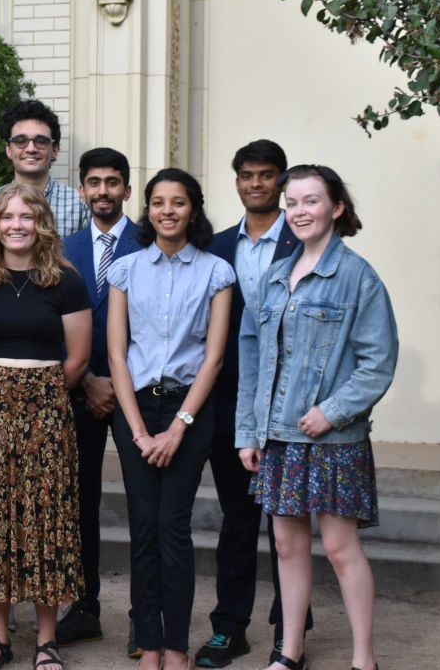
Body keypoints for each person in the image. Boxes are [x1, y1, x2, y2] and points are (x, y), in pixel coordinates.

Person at [236, 165, 397, 670]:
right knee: (286, 546)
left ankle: (363, 660)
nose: (299, 211)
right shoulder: (274, 277)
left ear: (336, 208)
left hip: (333, 441)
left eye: (310, 201)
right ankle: (290, 652)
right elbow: (251, 359)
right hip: (279, 437)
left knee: (340, 547)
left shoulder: (358, 277)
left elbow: (379, 362)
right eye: (292, 203)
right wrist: (248, 431)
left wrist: (331, 412)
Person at [0, 183, 93, 670]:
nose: (16, 225)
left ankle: (46, 639)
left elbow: (78, 357)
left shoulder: (66, 282)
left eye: (26, 217)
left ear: (41, 224)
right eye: (7, 217)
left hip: (47, 408)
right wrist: (2, 388)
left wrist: (42, 394)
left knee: (45, 517)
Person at [106, 168, 235, 670]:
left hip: (190, 409)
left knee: (172, 526)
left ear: (194, 209)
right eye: (158, 202)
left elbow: (214, 359)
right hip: (136, 406)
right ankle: (150, 644)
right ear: (148, 210)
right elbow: (117, 355)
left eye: (178, 202)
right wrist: (138, 430)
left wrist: (178, 426)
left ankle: (177, 646)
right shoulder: (126, 270)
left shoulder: (216, 272)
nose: (167, 211)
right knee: (143, 528)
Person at [197, 140, 313, 668]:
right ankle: (229, 628)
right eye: (246, 175)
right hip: (231, 404)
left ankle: (291, 631)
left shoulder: (307, 238)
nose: (256, 184)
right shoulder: (218, 247)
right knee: (238, 517)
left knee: (288, 521)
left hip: (292, 404)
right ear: (236, 181)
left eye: (266, 175)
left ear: (282, 181)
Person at [57, 148, 142, 654]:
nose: (103, 191)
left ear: (127, 190)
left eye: (113, 182)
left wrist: (117, 381)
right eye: (94, 182)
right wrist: (86, 377)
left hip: (137, 394)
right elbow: (51, 319)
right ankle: (83, 608)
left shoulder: (149, 240)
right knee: (78, 502)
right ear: (83, 191)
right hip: (79, 391)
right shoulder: (63, 247)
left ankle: (143, 615)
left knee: (144, 505)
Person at [0, 99, 89, 238]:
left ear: (54, 150)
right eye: (21, 141)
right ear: (8, 149)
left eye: (41, 141)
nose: (31, 149)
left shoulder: (79, 204)